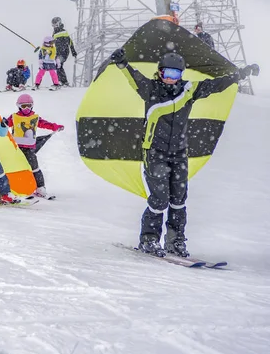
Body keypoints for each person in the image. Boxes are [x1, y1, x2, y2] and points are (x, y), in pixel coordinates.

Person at [110, 48, 259, 257]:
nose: (172, 79)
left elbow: (216, 85)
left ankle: (175, 241)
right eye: (168, 74)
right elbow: (132, 76)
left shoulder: (189, 90)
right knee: (160, 198)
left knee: (179, 199)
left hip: (179, 153)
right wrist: (122, 63)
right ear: (160, 73)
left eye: (176, 74)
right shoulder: (149, 89)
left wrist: (241, 74)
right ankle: (149, 239)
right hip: (155, 152)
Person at [4, 94, 64, 198]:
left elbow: (44, 124)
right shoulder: (14, 117)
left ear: (32, 105)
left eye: (28, 105)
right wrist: (3, 122)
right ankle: (12, 188)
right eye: (23, 106)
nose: (26, 108)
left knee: (34, 167)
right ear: (18, 106)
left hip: (29, 149)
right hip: (17, 149)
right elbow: (5, 125)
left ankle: (40, 188)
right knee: (15, 168)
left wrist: (55, 126)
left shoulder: (34, 118)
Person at [51, 16, 77, 87]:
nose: (54, 26)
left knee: (59, 65)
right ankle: (63, 81)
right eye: (53, 25)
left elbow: (70, 42)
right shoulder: (54, 33)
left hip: (64, 51)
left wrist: (73, 51)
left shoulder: (63, 31)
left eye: (55, 25)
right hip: (58, 52)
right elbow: (52, 43)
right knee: (58, 65)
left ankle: (62, 81)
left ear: (59, 23)